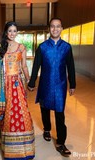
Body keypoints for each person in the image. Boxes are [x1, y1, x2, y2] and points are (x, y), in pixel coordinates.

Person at [0, 21, 35, 160]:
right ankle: (8, 145)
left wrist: (30, 81)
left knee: (19, 111)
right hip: (3, 84)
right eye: (10, 31)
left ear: (17, 32)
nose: (12, 33)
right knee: (5, 111)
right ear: (6, 32)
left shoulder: (21, 48)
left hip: (16, 84)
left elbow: (24, 66)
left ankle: (22, 146)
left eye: (14, 31)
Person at [28, 18, 76, 157]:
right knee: (45, 109)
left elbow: (71, 67)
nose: (55, 29)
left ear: (61, 28)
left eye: (58, 26)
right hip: (45, 83)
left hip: (60, 85)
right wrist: (32, 83)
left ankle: (61, 142)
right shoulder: (42, 47)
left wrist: (72, 84)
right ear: (49, 29)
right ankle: (47, 129)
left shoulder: (67, 47)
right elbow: (36, 65)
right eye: (53, 26)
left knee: (60, 113)